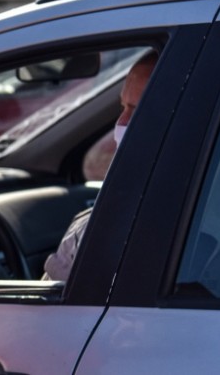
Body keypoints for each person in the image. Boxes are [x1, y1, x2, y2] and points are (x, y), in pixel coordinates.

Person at [41, 51, 157, 282]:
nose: (120, 122)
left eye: (137, 110)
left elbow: (50, 311)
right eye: (123, 107)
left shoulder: (113, 221)